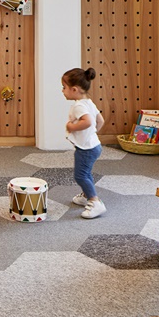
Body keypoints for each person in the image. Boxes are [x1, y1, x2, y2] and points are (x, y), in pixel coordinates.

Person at [63, 67, 107, 218]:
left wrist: (71, 127)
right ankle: (86, 195)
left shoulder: (79, 106)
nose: (62, 91)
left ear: (74, 89)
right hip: (94, 146)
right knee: (86, 172)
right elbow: (100, 121)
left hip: (86, 149)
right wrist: (92, 135)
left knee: (80, 175)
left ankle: (95, 202)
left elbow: (87, 122)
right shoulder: (89, 103)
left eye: (64, 87)